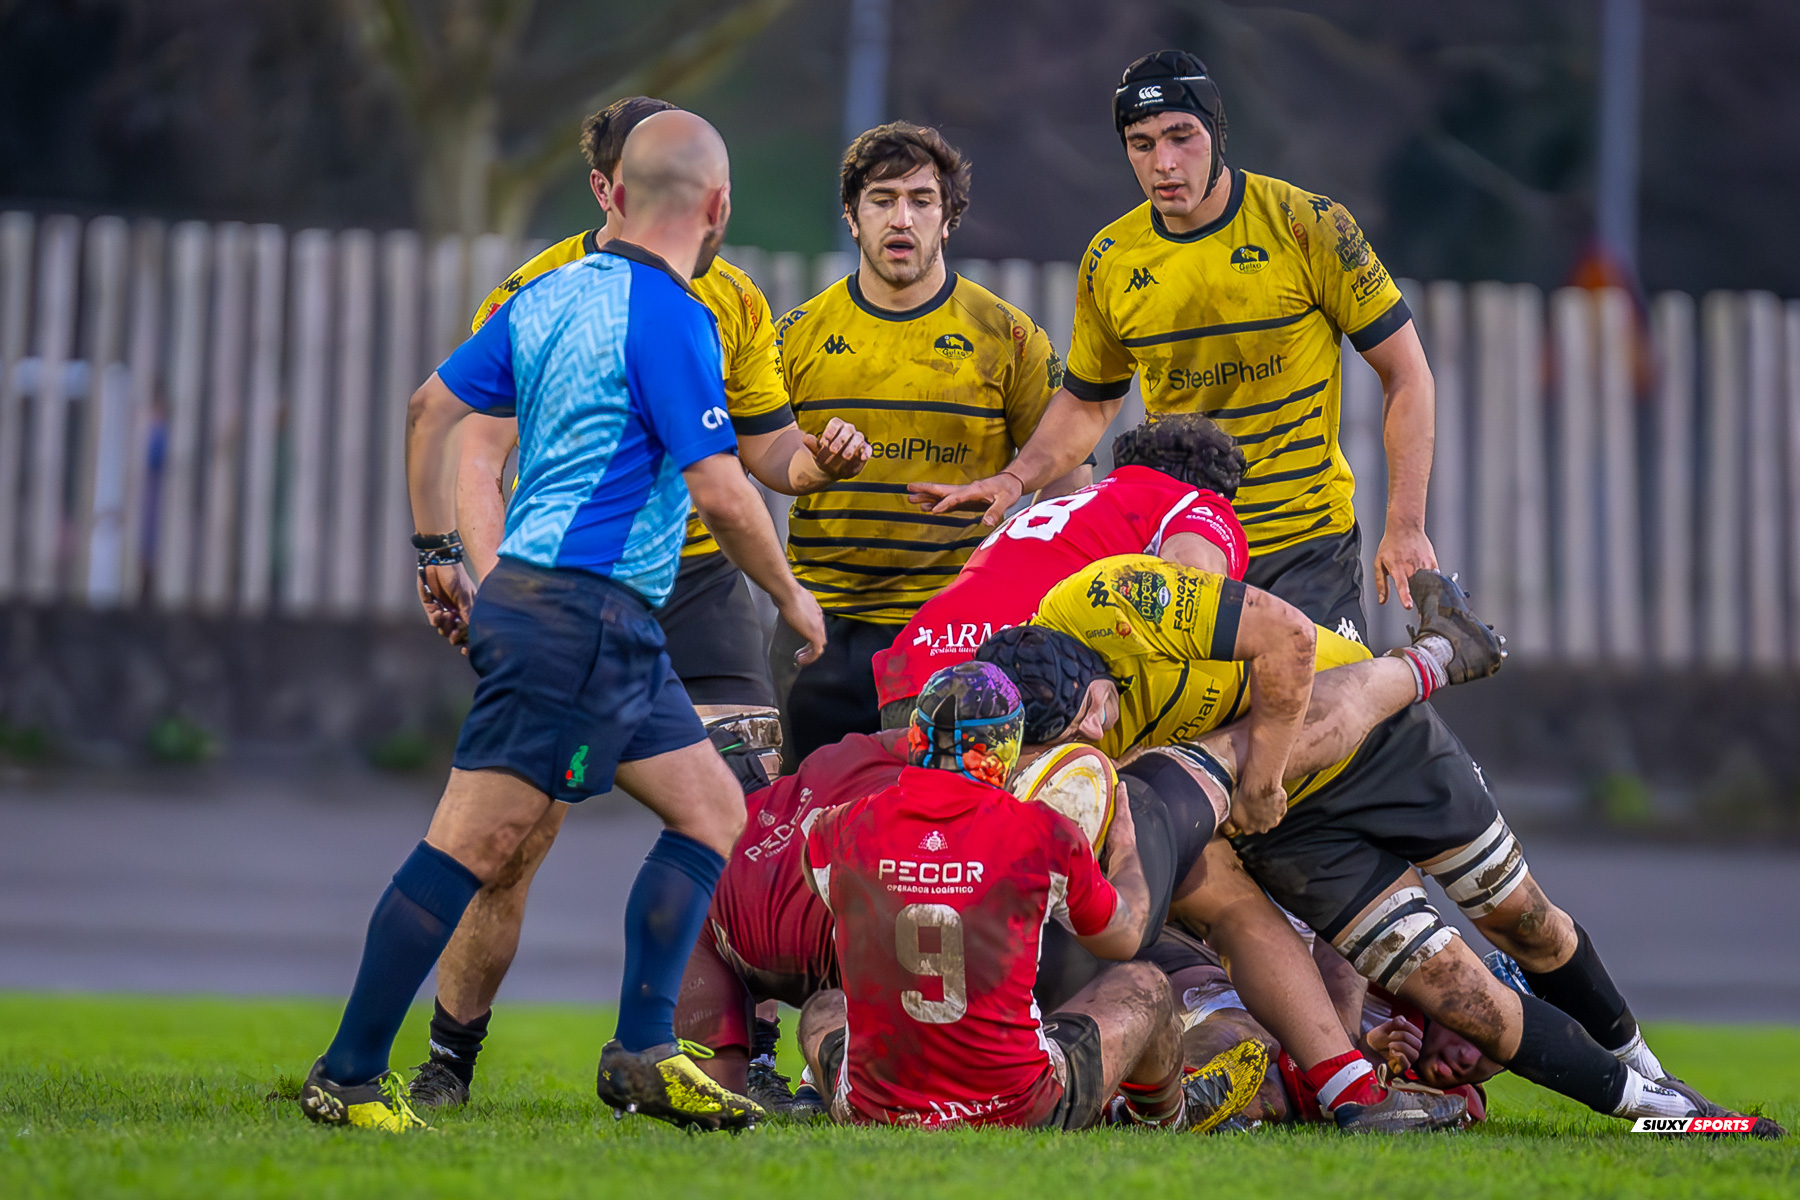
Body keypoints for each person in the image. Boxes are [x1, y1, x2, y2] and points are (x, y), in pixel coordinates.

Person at [299, 110, 824, 1134]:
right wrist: (794, 597)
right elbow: (722, 490)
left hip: (577, 616)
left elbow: (425, 411)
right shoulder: (676, 316)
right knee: (470, 846)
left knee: (714, 814)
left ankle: (642, 1052)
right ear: (717, 209)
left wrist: (434, 553)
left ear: (615, 194)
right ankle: (350, 1071)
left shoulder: (546, 295)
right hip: (578, 616)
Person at [983, 570, 1784, 1138]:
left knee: (1522, 921)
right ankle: (1669, 1113)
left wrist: (1259, 778)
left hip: (1373, 748)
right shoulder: (1070, 765)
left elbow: (1290, 639)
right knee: (1457, 993)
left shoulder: (1109, 601)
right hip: (1288, 820)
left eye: (1093, 718)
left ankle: (1644, 1059)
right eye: (1073, 744)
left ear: (1089, 671)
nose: (1094, 740)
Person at [911, 50, 1439, 644]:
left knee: (1328, 716)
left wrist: (1406, 524)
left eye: (1180, 136)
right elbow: (1089, 403)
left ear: (1216, 132)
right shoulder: (1112, 259)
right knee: (1200, 731)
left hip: (1304, 543)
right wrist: (1015, 479)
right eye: (1141, 144)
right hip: (1186, 540)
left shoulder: (1307, 225)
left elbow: (1407, 374)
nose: (1163, 162)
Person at [771, 121, 1089, 765]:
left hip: (957, 625)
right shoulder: (798, 334)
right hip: (819, 622)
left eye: (921, 201)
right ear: (852, 217)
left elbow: (1067, 480)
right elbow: (747, 460)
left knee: (939, 826)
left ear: (949, 219)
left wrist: (1044, 603)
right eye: (882, 200)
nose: (902, 219)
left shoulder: (1009, 335)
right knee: (806, 825)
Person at [795, 663, 1192, 1130]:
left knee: (821, 1009)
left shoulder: (836, 829)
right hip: (1018, 1107)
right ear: (1006, 747)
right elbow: (1123, 937)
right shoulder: (1042, 834)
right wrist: (1126, 853)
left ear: (916, 736)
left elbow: (829, 883)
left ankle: (813, 1094)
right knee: (1146, 985)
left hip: (876, 1111)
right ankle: (1166, 1120)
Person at [871, 413, 1249, 724]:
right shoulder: (1194, 502)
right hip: (1006, 690)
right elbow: (1197, 597)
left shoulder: (1081, 505)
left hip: (911, 675)